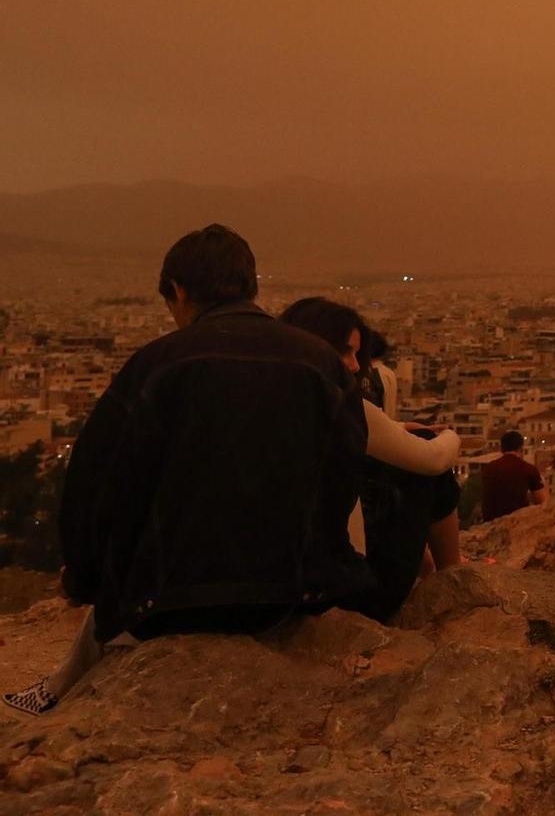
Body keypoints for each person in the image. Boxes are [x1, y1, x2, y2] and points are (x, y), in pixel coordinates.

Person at [6, 226, 371, 718]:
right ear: (249, 285)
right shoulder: (322, 364)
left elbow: (94, 487)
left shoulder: (157, 365)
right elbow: (343, 479)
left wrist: (89, 579)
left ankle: (57, 694)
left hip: (168, 602)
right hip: (294, 593)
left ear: (177, 290)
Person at [280, 298, 462, 622]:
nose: (352, 365)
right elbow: (433, 459)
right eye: (344, 352)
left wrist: (397, 428)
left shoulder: (272, 401)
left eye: (355, 353)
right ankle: (453, 575)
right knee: (424, 456)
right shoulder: (340, 406)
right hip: (346, 593)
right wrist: (450, 437)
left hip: (281, 586)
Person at [481, 430, 548, 523]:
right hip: (516, 523)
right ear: (521, 449)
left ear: (502, 449)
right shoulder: (528, 469)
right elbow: (542, 501)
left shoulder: (488, 469)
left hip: (489, 524)